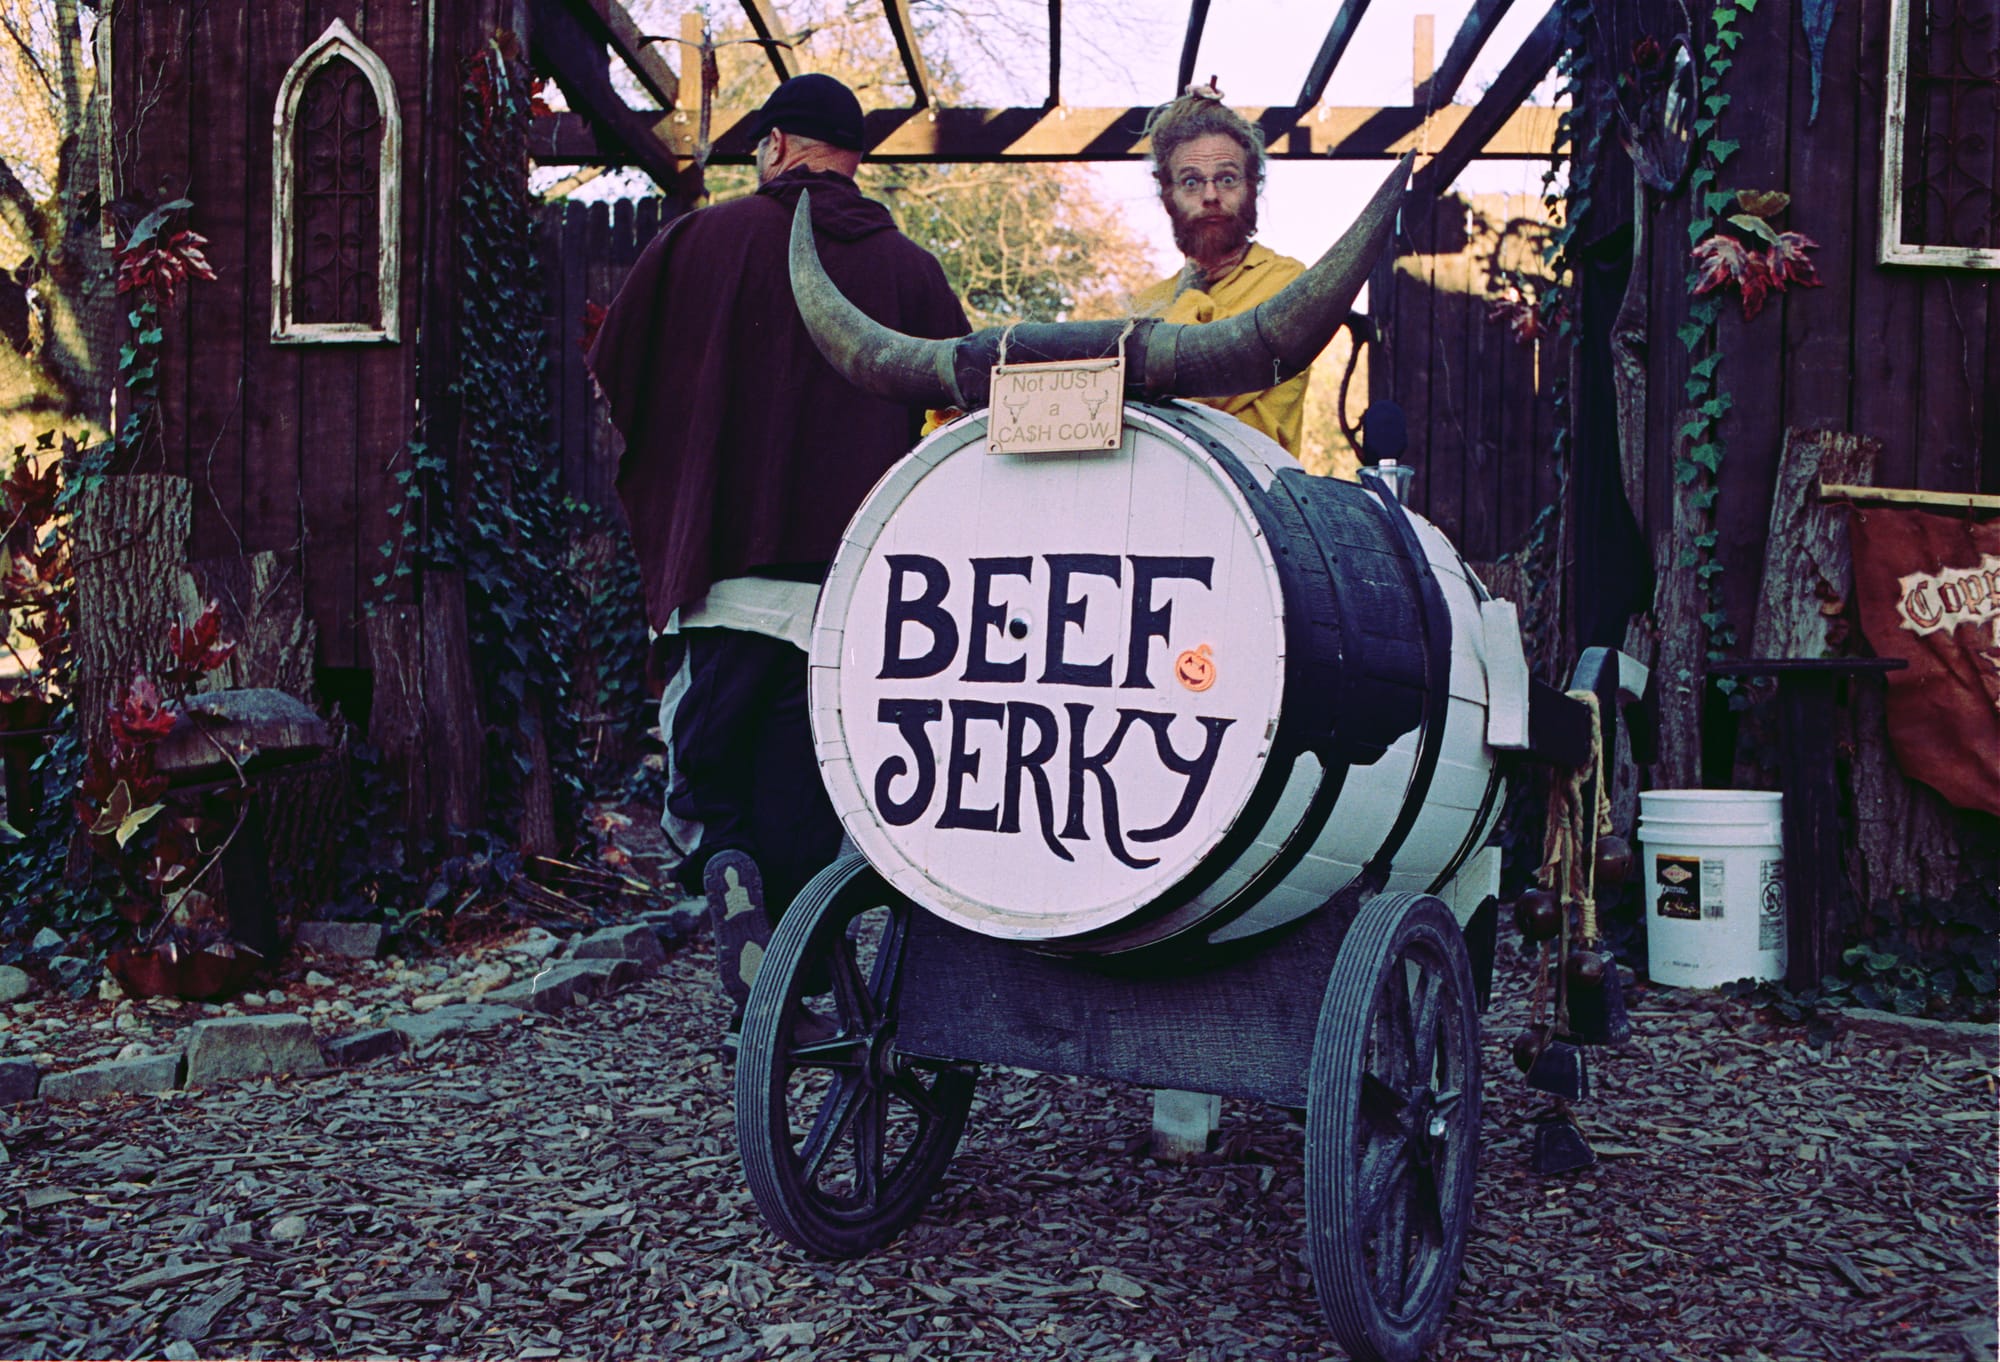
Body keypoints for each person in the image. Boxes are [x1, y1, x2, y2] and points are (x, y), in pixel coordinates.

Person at [586, 73, 969, 1033]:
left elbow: (613, 374)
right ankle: (787, 979)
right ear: (852, 157)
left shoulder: (701, 241)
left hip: (724, 582)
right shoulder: (910, 273)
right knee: (801, 801)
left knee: (712, 790)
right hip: (845, 597)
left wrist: (687, 472)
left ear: (777, 146)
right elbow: (969, 413)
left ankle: (726, 883)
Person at [1132, 84, 1312, 455]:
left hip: (1259, 496)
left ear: (1252, 185)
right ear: (1167, 195)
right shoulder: (1146, 303)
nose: (1211, 195)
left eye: (1227, 178)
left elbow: (1196, 390)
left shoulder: (1286, 282)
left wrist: (1188, 299)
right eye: (1191, 181)